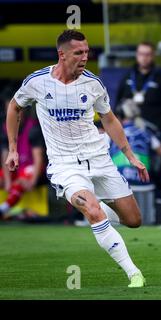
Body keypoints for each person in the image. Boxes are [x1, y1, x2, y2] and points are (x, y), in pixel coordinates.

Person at [4, 30, 149, 288]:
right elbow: (15, 106)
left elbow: (109, 118)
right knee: (91, 210)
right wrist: (13, 148)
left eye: (87, 52)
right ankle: (133, 273)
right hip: (65, 165)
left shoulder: (93, 83)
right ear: (62, 54)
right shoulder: (37, 81)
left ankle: (99, 212)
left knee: (134, 221)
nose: (85, 58)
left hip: (99, 159)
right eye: (78, 53)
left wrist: (130, 156)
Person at [116, 41, 161, 141]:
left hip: (153, 132)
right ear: (136, 55)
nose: (144, 58)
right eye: (141, 54)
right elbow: (117, 107)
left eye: (147, 54)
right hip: (128, 130)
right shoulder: (126, 79)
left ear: (153, 56)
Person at [110, 98, 161, 188]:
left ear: (120, 116)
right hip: (142, 183)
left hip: (118, 183)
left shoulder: (112, 134)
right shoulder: (146, 133)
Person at [0, 102, 45, 218]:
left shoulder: (33, 128)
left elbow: (38, 157)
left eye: (17, 109)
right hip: (14, 166)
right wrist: (7, 181)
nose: (13, 113)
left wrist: (33, 181)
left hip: (30, 167)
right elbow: (5, 156)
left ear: (23, 110)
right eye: (10, 110)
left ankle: (3, 209)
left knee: (23, 179)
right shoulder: (4, 129)